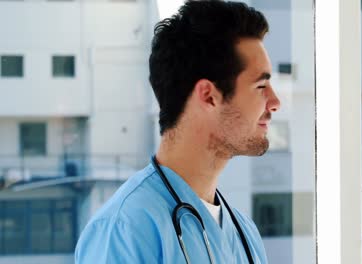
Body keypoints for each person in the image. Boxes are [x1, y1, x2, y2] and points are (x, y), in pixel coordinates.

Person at [75, 0, 280, 263]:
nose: (275, 102)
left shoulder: (244, 234)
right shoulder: (124, 230)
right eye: (261, 86)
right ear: (208, 96)